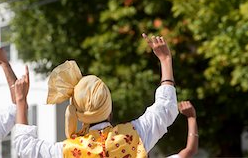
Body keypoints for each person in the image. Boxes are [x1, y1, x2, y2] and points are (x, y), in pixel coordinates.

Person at [12, 34, 179, 158]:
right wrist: (165, 60)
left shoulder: (69, 151)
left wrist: (21, 101)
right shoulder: (132, 136)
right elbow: (166, 108)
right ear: (109, 108)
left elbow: (24, 147)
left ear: (79, 115)